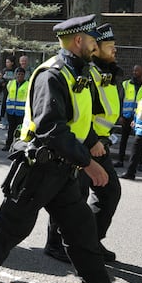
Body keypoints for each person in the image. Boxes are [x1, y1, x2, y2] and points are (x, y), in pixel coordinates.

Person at [0, 14, 142, 283]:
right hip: (39, 167)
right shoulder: (53, 75)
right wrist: (88, 162)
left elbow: (79, 124)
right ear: (78, 41)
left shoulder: (78, 74)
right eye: (92, 42)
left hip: (62, 170)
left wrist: (89, 148)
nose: (96, 47)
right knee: (11, 225)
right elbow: (51, 128)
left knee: (81, 228)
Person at [45, 23, 123, 263]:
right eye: (110, 46)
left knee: (109, 193)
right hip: (81, 144)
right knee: (70, 197)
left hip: (98, 144)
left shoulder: (107, 74)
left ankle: (90, 240)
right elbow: (77, 113)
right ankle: (57, 244)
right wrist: (89, 141)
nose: (115, 50)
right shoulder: (81, 73)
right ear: (95, 48)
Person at [114, 64, 142, 168]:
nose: (135, 73)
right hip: (127, 117)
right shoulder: (126, 84)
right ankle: (120, 160)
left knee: (139, 142)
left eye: (137, 71)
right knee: (124, 139)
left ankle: (139, 163)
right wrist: (120, 115)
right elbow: (120, 100)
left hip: (139, 117)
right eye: (134, 71)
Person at [1, 67, 27, 151]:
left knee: (20, 131)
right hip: (11, 111)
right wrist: (3, 110)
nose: (20, 76)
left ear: (24, 75)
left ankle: (18, 147)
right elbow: (5, 97)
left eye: (22, 74)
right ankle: (8, 145)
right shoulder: (10, 84)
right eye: (18, 74)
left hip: (22, 112)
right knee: (11, 129)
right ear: (15, 75)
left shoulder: (28, 85)